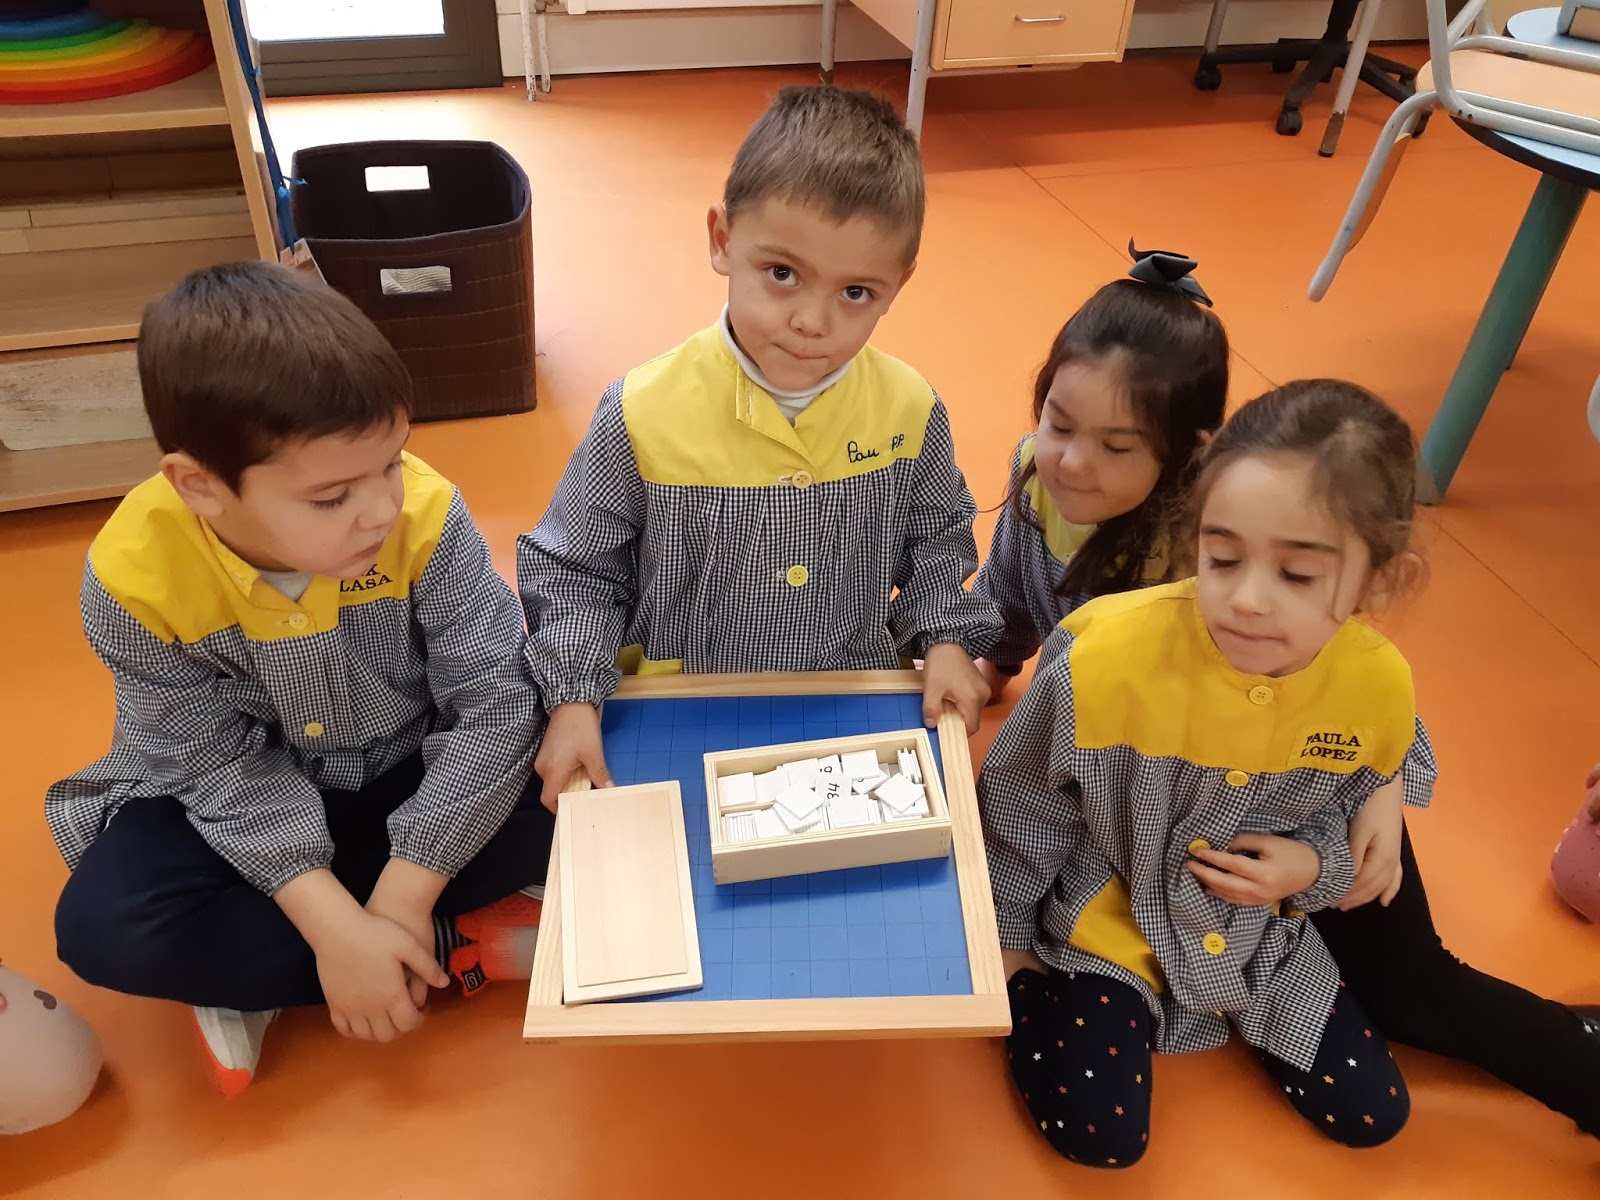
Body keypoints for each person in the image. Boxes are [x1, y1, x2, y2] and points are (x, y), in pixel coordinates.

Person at [48, 262, 554, 1097]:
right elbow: (213, 768)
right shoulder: (135, 578)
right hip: (237, 802)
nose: (380, 509)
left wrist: (401, 894)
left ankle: (335, 956)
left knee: (590, 792)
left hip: (407, 769)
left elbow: (495, 705)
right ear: (200, 486)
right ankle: (443, 945)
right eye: (331, 497)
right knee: (107, 927)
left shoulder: (427, 516)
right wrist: (331, 922)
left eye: (391, 463)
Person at [982, 380, 1439, 1165]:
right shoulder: (1103, 657)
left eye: (1297, 575)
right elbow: (1023, 805)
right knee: (1100, 1136)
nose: (1248, 600)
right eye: (1222, 558)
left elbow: (1353, 809)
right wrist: (1009, 943)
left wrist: (1311, 868)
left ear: (1381, 580)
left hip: (1258, 934)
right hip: (1108, 921)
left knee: (1375, 1115)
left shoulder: (1380, 684)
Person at [518, 84, 1002, 798]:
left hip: (851, 696)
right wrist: (573, 698)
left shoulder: (910, 408)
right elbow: (575, 571)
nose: (812, 321)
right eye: (782, 274)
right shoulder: (641, 411)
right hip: (681, 703)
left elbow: (936, 542)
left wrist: (947, 639)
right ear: (722, 241)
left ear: (899, 284)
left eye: (856, 293)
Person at [971, 244, 1228, 699]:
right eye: (1059, 425)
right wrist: (991, 665)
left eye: (1116, 446)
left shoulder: (1200, 542)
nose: (1071, 462)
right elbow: (1008, 588)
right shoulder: (1035, 471)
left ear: (1186, 452)